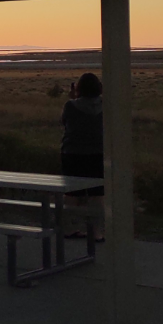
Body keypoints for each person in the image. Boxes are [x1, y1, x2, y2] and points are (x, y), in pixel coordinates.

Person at [61, 72, 103, 239]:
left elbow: (65, 122)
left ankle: (68, 228)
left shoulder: (70, 106)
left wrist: (73, 99)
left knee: (71, 194)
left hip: (72, 154)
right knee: (97, 194)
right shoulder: (106, 105)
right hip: (98, 154)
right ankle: (97, 232)